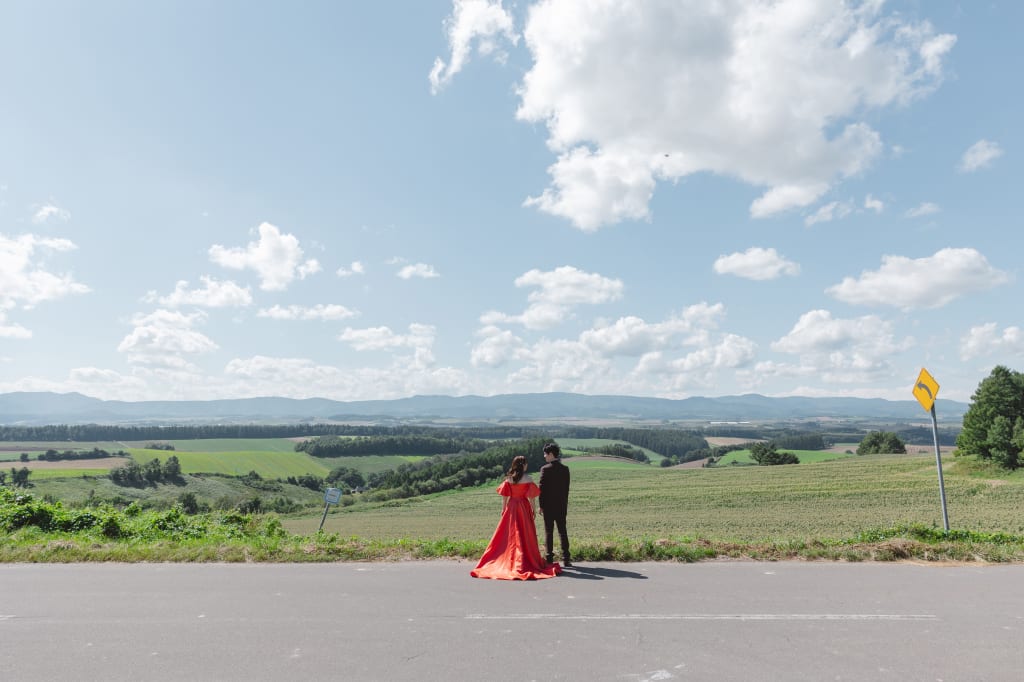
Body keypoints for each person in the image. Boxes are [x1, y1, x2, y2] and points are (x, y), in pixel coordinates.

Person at [471, 455, 560, 580]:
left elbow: (505, 497)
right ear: (523, 465)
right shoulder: (528, 478)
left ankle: (510, 557)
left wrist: (503, 509)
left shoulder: (509, 479)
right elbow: (531, 497)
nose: (527, 465)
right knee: (525, 534)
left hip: (512, 507)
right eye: (526, 463)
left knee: (511, 535)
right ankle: (524, 559)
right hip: (523, 507)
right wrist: (533, 510)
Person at [539, 442, 572, 567]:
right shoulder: (565, 469)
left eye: (545, 454)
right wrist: (564, 504)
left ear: (551, 454)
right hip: (561, 505)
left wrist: (541, 506)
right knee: (563, 531)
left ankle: (549, 558)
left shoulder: (544, 470)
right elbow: (566, 489)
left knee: (549, 532)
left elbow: (541, 490)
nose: (544, 456)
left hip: (548, 506)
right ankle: (566, 558)